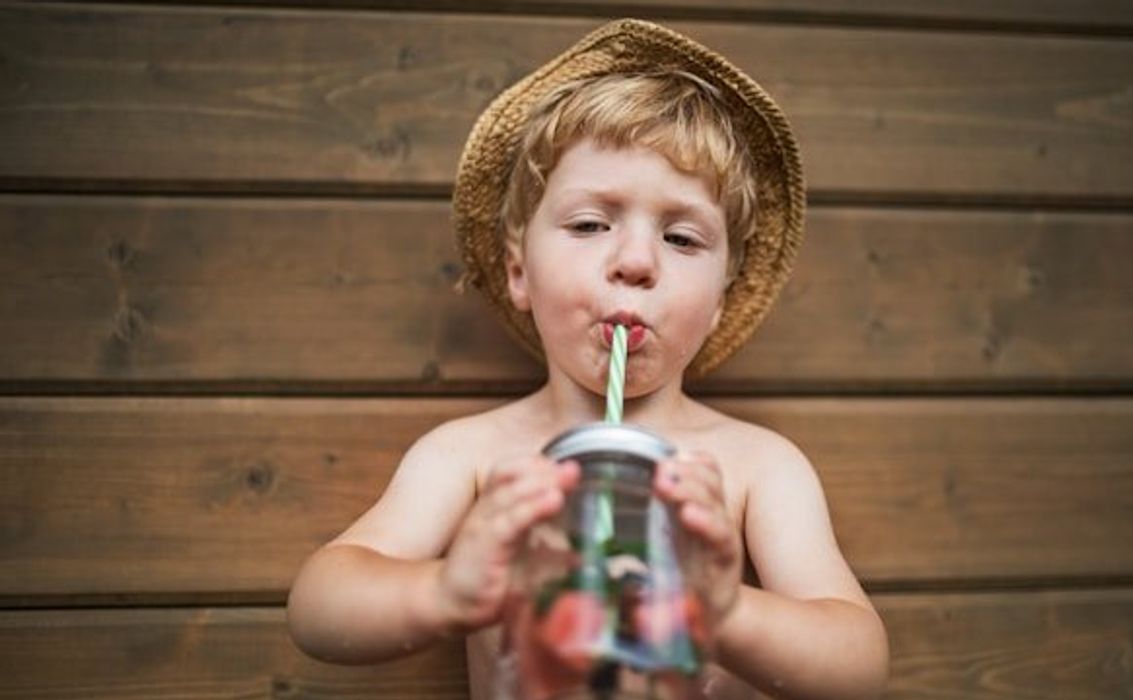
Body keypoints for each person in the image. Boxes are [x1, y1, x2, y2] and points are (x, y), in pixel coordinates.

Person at [287, 19, 888, 700]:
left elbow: (857, 668)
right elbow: (317, 609)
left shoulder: (754, 468)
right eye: (589, 224)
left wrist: (726, 612)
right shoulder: (477, 459)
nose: (634, 261)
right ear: (519, 272)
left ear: (720, 300)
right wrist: (446, 592)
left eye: (682, 238)